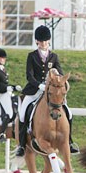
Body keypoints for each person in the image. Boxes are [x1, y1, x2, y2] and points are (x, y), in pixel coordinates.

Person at [15, 25, 79, 157]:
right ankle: (21, 145)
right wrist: (40, 86)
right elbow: (29, 76)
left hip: (52, 91)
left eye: (45, 41)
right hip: (35, 90)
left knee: (69, 113)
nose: (43, 43)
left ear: (48, 41)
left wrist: (59, 82)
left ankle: (70, 142)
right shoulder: (31, 56)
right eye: (41, 41)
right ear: (37, 41)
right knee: (22, 114)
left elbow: (60, 73)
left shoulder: (54, 56)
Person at [0, 48, 22, 142]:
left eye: (4, 58)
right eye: (1, 58)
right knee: (9, 112)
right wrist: (7, 88)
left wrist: (13, 87)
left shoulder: (2, 69)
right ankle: (1, 133)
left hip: (5, 92)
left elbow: (4, 83)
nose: (3, 59)